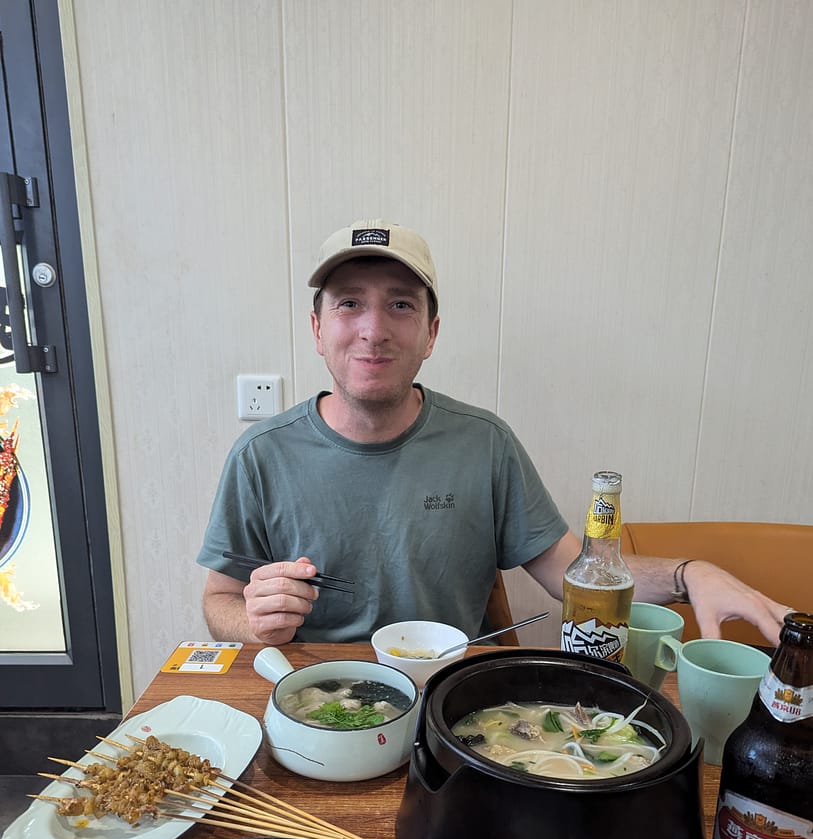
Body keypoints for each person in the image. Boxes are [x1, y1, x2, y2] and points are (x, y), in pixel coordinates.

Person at [198, 219, 791, 647]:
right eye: (349, 303)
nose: (373, 330)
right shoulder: (262, 455)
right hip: (315, 702)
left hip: (455, 708)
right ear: (317, 328)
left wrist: (692, 574)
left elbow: (574, 574)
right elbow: (217, 601)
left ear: (431, 334)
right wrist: (252, 620)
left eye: (400, 305)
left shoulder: (484, 443)